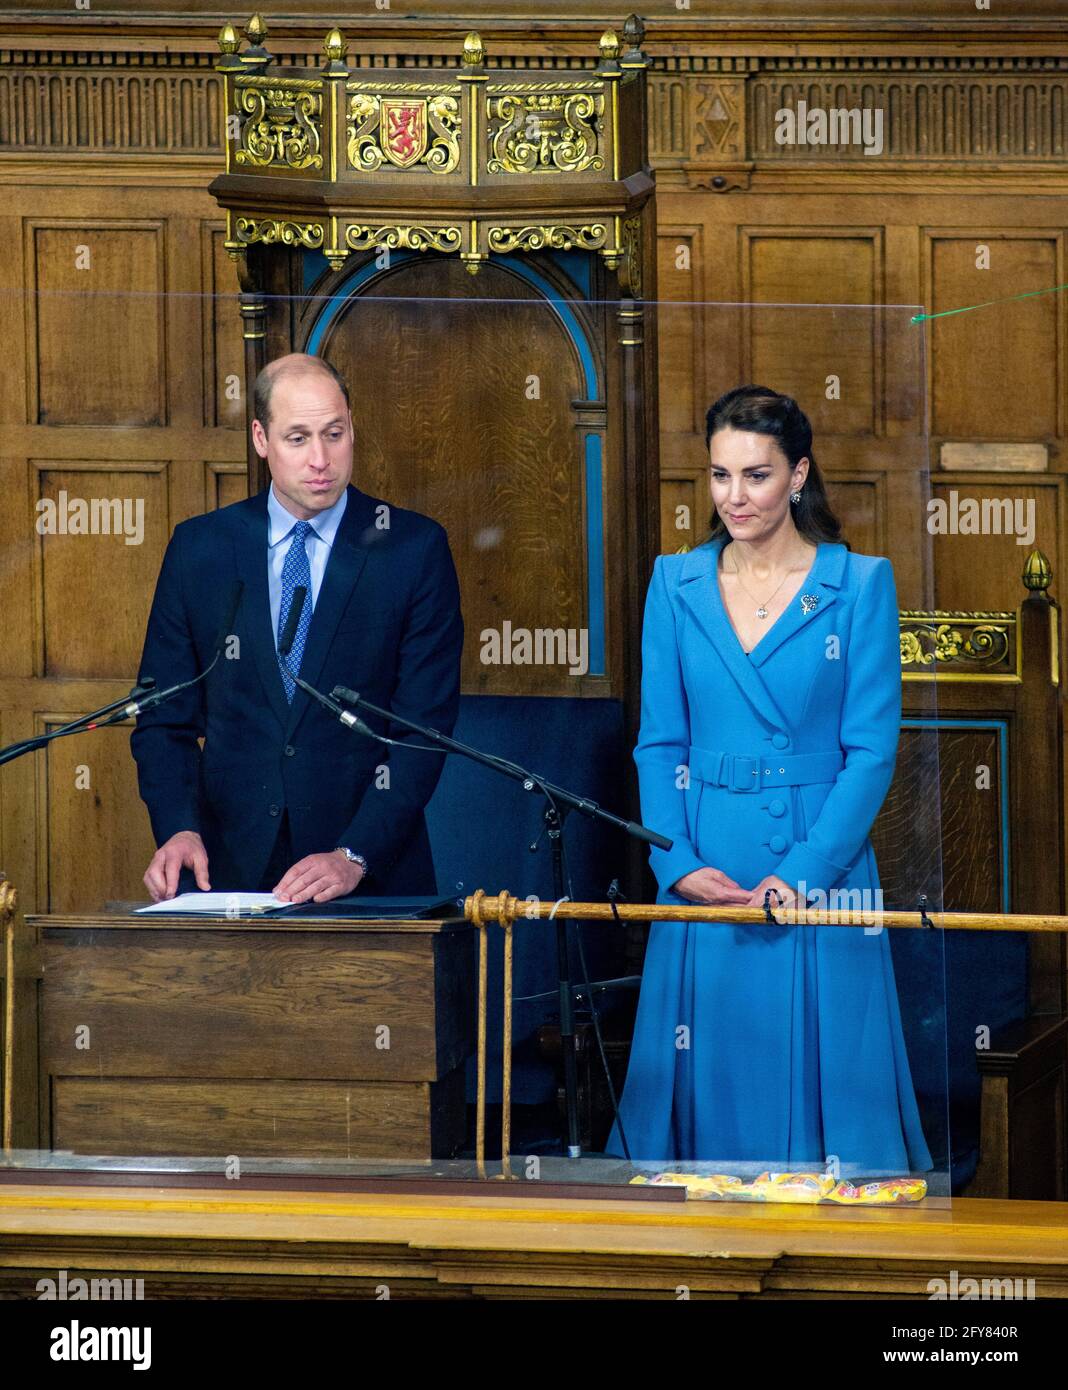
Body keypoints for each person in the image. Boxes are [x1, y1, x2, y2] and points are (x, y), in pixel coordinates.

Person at [605, 385, 932, 1174]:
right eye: (720, 476)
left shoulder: (859, 585)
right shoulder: (674, 583)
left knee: (830, 1111)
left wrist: (806, 874)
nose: (735, 496)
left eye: (756, 475)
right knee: (709, 1092)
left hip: (821, 862)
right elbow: (659, 744)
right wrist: (674, 865)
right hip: (706, 862)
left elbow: (871, 752)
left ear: (798, 475)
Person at [131, 353, 463, 904]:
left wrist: (354, 855)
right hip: (227, 872)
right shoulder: (200, 549)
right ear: (261, 438)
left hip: (370, 880)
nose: (320, 459)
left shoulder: (413, 550)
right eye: (298, 438)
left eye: (334, 434)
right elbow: (163, 720)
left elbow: (421, 735)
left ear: (353, 427)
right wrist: (178, 828)